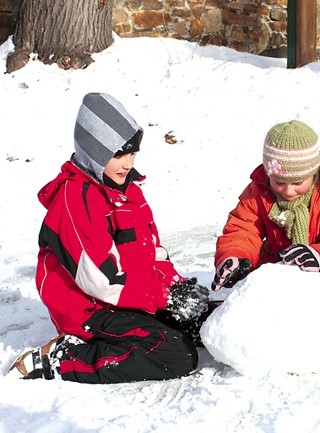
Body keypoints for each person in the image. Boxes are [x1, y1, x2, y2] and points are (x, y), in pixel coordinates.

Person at [8, 92, 210, 383]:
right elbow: (101, 281)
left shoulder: (128, 191)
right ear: (94, 151)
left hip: (128, 300)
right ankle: (61, 359)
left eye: (133, 152)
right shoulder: (74, 199)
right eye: (118, 154)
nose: (128, 162)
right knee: (174, 353)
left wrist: (178, 288)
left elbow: (153, 254)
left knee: (201, 319)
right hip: (89, 310)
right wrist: (164, 298)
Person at [212, 120, 320, 333]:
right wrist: (235, 256)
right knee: (258, 311)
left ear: (313, 173)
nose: (288, 191)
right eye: (279, 182)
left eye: (297, 183)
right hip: (279, 267)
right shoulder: (260, 188)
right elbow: (243, 228)